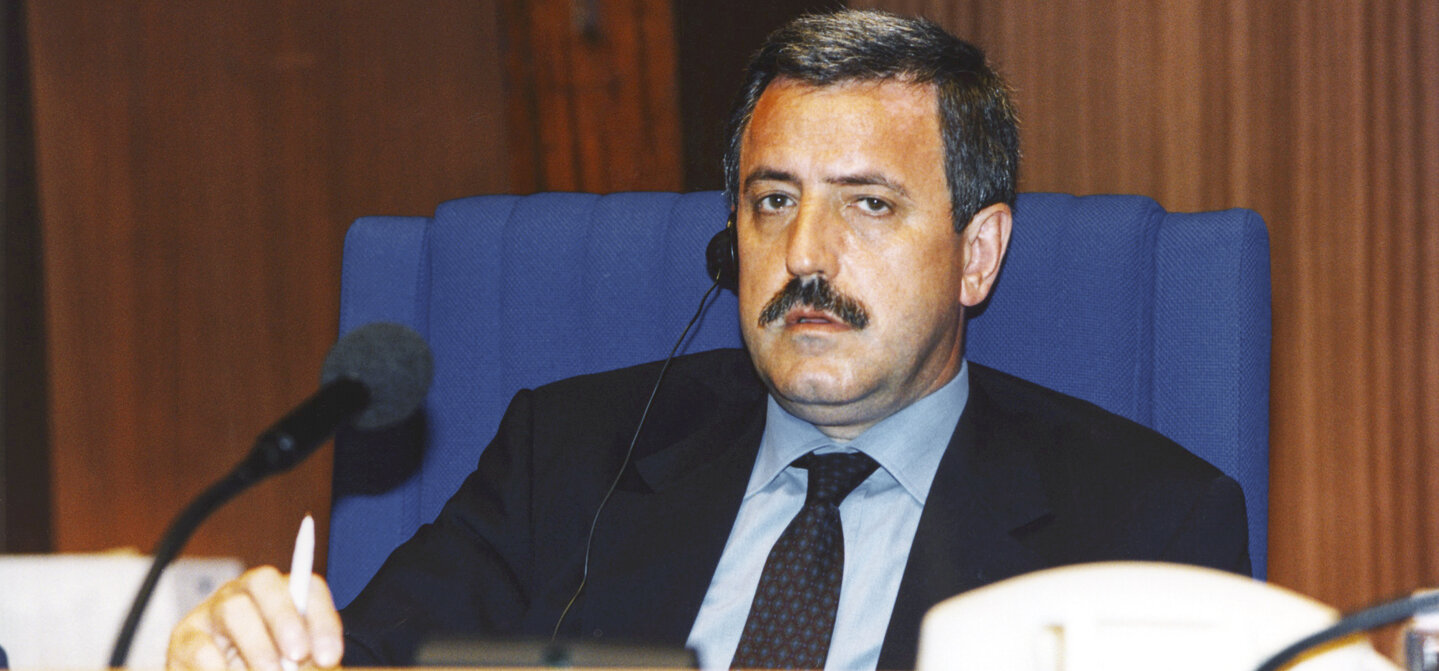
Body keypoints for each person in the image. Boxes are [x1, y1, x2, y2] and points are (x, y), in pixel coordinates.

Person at [168, 9, 1248, 671]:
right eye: (771, 201)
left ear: (977, 253)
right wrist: (254, 647)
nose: (804, 255)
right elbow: (369, 655)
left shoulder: (1145, 517)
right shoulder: (571, 450)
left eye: (867, 205)